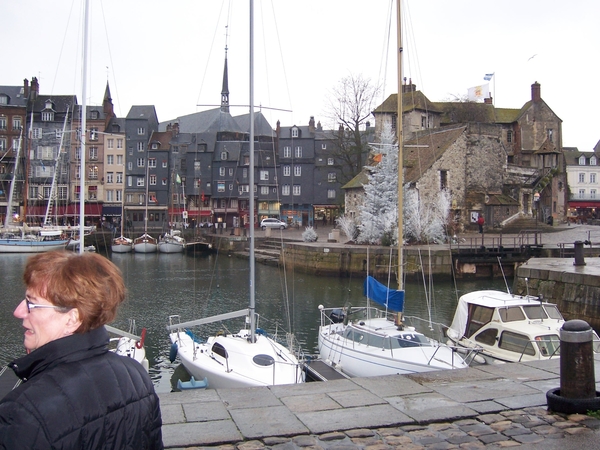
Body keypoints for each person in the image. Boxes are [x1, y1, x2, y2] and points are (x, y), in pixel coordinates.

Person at [0, 251, 163, 449]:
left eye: (31, 303)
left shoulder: (22, 412)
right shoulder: (136, 376)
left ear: (72, 319)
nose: (18, 312)